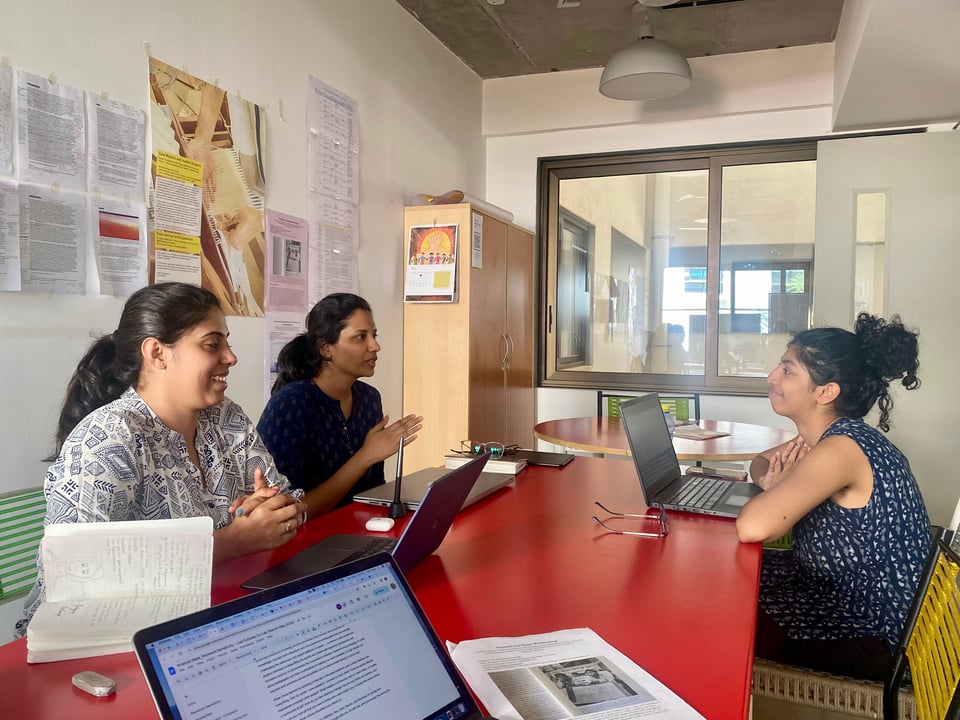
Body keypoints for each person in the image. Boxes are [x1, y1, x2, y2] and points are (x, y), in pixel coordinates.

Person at [16, 282, 306, 638]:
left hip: (209, 617)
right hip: (102, 645)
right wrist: (234, 541)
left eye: (226, 343)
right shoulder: (108, 438)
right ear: (157, 353)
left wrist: (273, 509)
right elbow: (78, 575)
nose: (231, 357)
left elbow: (291, 501)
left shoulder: (227, 418)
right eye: (213, 344)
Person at [737, 312, 930, 681]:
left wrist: (779, 493)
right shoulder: (831, 436)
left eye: (787, 371)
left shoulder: (840, 449)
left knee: (727, 612)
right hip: (837, 598)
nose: (771, 378)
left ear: (826, 392)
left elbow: (751, 526)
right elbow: (762, 462)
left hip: (876, 636)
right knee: (733, 587)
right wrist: (773, 486)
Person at [258, 293, 423, 518]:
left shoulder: (369, 398)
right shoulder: (291, 404)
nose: (375, 346)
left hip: (359, 532)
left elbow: (371, 491)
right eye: (360, 337)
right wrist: (366, 456)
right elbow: (287, 511)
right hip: (306, 544)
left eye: (373, 335)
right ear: (326, 349)